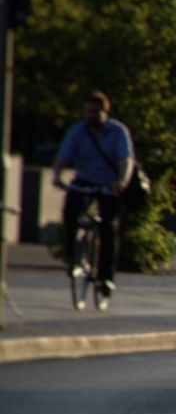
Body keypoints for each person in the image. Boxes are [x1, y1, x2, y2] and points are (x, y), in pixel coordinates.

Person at [52, 91, 134, 301]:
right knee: (70, 211)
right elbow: (63, 156)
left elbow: (126, 159)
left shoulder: (118, 131)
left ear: (105, 112)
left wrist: (122, 180)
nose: (91, 115)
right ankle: (74, 257)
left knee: (108, 227)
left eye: (96, 111)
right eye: (88, 111)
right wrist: (57, 176)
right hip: (85, 179)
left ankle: (106, 278)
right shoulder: (78, 131)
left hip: (110, 183)